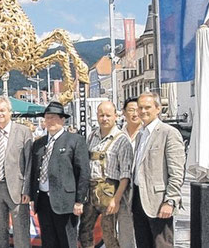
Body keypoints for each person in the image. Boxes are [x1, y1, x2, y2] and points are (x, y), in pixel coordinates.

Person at [29, 101, 89, 248]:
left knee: (67, 241)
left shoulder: (75, 140)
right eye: (47, 117)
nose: (50, 121)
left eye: (54, 117)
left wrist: (79, 201)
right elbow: (34, 170)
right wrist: (32, 196)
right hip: (43, 200)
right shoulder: (39, 143)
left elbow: (83, 172)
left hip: (65, 201)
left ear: (63, 119)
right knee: (48, 241)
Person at [132, 92, 185, 248]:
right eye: (140, 108)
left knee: (162, 244)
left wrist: (170, 200)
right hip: (138, 200)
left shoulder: (168, 133)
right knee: (143, 243)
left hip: (159, 201)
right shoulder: (141, 135)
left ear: (158, 109)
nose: (143, 111)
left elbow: (176, 171)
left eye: (147, 107)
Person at [78, 101, 133, 248]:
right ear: (97, 116)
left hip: (110, 191)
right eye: (101, 115)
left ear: (116, 116)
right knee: (84, 231)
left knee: (109, 233)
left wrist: (116, 199)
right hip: (91, 191)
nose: (105, 118)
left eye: (108, 115)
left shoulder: (122, 140)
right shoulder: (91, 137)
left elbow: (125, 175)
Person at [0, 95, 32, 247]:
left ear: (10, 112)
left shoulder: (23, 131)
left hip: (17, 189)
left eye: (2, 111)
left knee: (21, 232)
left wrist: (27, 189)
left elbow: (29, 162)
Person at [119, 97, 141, 248]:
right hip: (122, 190)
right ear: (123, 113)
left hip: (142, 190)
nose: (135, 114)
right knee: (125, 229)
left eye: (137, 110)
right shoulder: (117, 136)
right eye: (131, 110)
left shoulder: (147, 134)